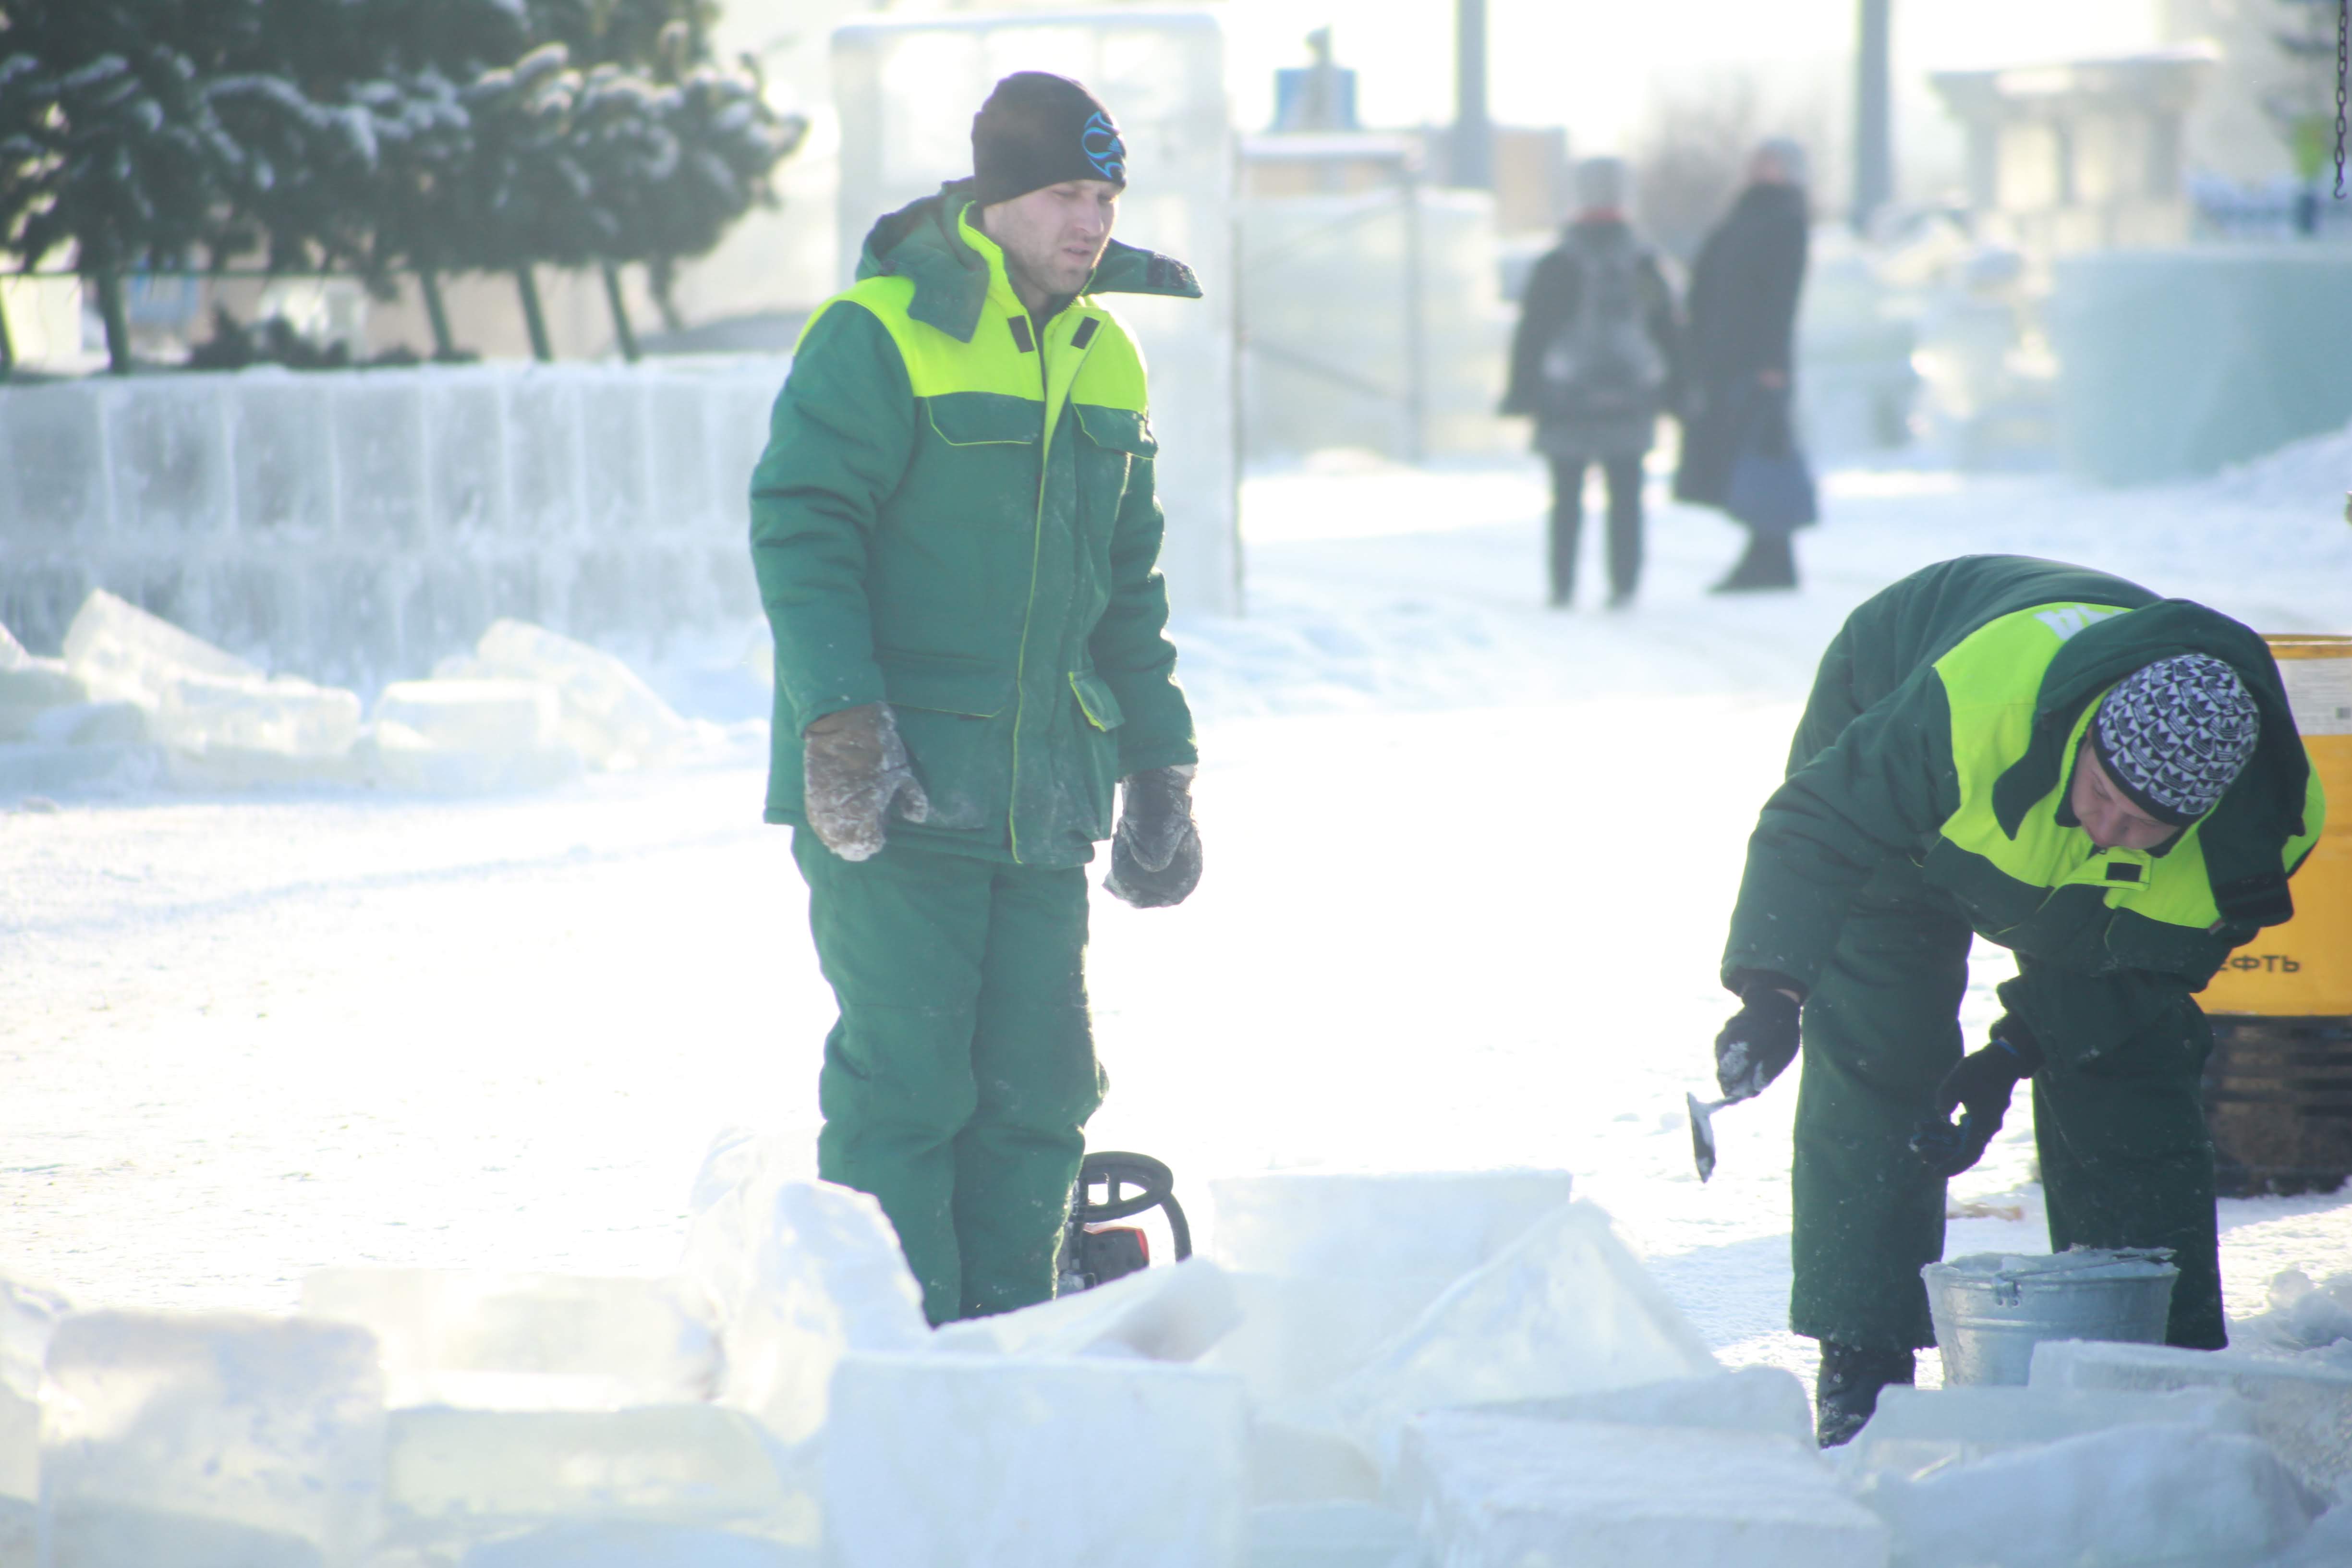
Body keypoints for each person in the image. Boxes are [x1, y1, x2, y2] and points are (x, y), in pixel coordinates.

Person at [748, 72, 1205, 1325]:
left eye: (1106, 198)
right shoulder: (880, 331)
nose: (1090, 222)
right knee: (909, 1089)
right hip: (897, 786)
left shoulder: (1107, 355)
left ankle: (1018, 1354)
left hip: (1044, 797)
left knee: (1041, 1093)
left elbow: (1127, 589)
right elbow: (803, 527)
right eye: (1065, 193)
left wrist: (1158, 764)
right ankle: (906, 1368)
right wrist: (842, 719)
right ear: (997, 197)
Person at [1709, 555, 2326, 1445]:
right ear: (2087, 737)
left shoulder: (2261, 840)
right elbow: (1819, 824)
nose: (2109, 827)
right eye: (2102, 794)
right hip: (1903, 726)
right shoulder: (1964, 715)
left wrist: (2009, 1056)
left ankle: (2148, 1368)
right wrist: (1771, 990)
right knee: (1882, 1037)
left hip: (2065, 853)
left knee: (2129, 1064)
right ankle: (1862, 1360)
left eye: (2144, 825)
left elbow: (2140, 984)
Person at [1502, 157, 1680, 608]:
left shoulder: (1557, 263)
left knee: (1566, 497)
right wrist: (1680, 390)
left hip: (1565, 397)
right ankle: (1625, 586)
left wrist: (1521, 393)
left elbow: (1533, 333)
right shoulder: (1643, 263)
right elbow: (1668, 329)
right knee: (1627, 496)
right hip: (1630, 395)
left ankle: (1562, 586)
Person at [1675, 137, 1812, 592]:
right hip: (1727, 357)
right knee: (1747, 454)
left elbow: (1781, 295)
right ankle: (1770, 554)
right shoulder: (1743, 214)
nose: (1760, 168)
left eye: (1771, 162)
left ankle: (1770, 556)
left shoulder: (1785, 218)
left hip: (1759, 361)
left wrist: (1772, 360)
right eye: (1757, 160)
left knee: (1762, 455)